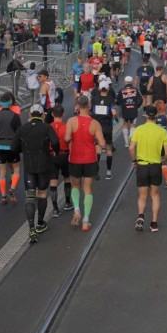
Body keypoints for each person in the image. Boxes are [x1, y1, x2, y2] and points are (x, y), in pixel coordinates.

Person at [12, 104, 59, 243]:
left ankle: (31, 228)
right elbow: (56, 142)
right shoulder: (46, 127)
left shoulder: (23, 128)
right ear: (43, 115)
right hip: (44, 165)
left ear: (30, 115)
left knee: (30, 196)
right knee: (42, 194)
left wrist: (24, 150)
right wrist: (53, 151)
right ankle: (40, 223)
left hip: (29, 166)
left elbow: (13, 147)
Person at [65, 95, 106, 231]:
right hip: (90, 159)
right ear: (89, 106)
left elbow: (66, 138)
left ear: (77, 106)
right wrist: (93, 140)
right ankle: (85, 220)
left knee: (75, 186)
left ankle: (77, 210)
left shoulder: (71, 121)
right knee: (87, 189)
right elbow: (102, 143)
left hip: (75, 158)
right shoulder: (95, 123)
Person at [130, 105, 167, 232]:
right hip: (155, 166)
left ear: (145, 116)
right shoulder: (162, 131)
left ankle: (141, 216)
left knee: (142, 195)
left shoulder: (138, 130)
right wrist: (163, 160)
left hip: (142, 165)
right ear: (156, 115)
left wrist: (134, 160)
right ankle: (154, 223)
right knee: (154, 194)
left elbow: (131, 148)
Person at [0, 92, 23, 205]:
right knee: (16, 169)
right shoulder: (15, 116)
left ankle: (3, 196)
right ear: (10, 103)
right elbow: (19, 133)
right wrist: (20, 148)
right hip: (12, 145)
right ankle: (12, 189)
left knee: (2, 172)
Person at [49, 104, 73, 217]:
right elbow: (70, 142)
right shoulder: (66, 127)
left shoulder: (48, 127)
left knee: (53, 180)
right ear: (63, 114)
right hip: (65, 154)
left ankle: (55, 208)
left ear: (52, 114)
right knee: (67, 178)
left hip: (52, 155)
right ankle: (67, 202)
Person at [91, 80, 118, 180]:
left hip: (97, 127)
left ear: (99, 89)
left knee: (98, 148)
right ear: (108, 89)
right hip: (107, 126)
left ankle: (95, 171)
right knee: (109, 149)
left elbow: (90, 110)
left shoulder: (94, 99)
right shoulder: (110, 99)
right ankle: (108, 172)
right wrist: (116, 119)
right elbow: (114, 112)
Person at [116, 75, 143, 148]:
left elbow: (117, 101)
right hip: (133, 109)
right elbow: (141, 99)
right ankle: (131, 138)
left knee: (125, 124)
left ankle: (126, 143)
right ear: (131, 82)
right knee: (132, 125)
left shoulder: (121, 90)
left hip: (124, 110)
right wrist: (137, 106)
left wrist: (120, 104)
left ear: (125, 81)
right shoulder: (136, 90)